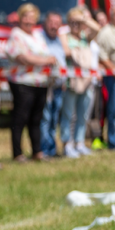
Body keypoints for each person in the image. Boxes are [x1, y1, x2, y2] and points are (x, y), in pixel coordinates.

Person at [5, 3, 56, 161]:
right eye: (26, 17)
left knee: (37, 118)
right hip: (22, 82)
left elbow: (45, 54)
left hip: (40, 82)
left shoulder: (37, 34)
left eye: (32, 17)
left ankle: (37, 151)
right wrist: (45, 61)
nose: (29, 21)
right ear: (20, 18)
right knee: (20, 118)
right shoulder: (16, 34)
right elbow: (22, 58)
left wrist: (44, 60)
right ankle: (17, 153)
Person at [60, 8, 99, 157]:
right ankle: (67, 143)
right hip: (72, 81)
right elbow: (67, 52)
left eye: (78, 22)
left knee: (83, 114)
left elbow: (97, 29)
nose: (76, 25)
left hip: (87, 80)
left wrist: (84, 20)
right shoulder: (65, 35)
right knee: (69, 114)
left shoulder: (85, 36)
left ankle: (79, 142)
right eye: (73, 22)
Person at [96, 4, 115, 149]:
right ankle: (114, 142)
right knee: (114, 110)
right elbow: (102, 56)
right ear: (111, 16)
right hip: (113, 78)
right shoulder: (106, 33)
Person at [39, 12, 67, 156]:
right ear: (45, 22)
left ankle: (52, 148)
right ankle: (45, 148)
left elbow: (62, 60)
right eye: (51, 22)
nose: (54, 25)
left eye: (57, 23)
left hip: (58, 85)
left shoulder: (59, 40)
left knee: (54, 118)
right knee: (46, 117)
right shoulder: (39, 37)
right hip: (45, 85)